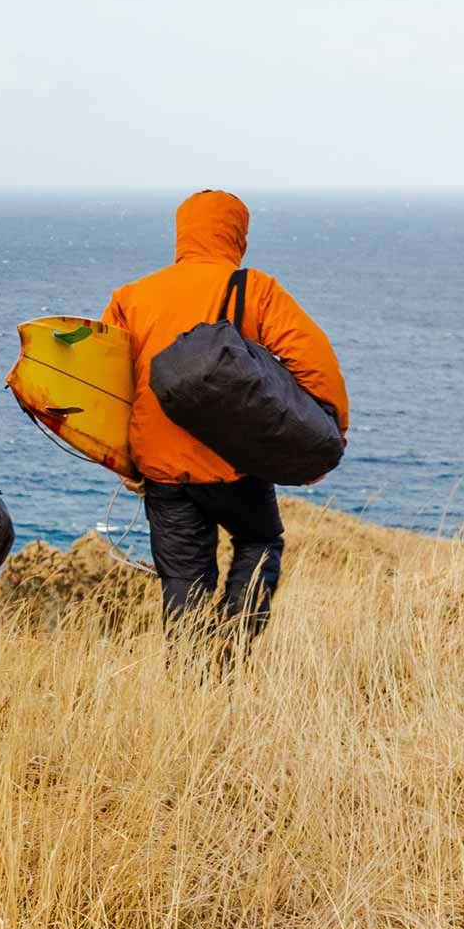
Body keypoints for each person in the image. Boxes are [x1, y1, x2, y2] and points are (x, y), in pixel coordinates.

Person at [103, 190, 347, 654]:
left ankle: (191, 679)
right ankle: (232, 645)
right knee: (260, 540)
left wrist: (123, 463)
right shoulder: (253, 289)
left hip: (161, 471)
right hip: (234, 465)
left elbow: (107, 388)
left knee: (182, 578)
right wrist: (330, 430)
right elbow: (316, 363)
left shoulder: (132, 297)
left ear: (182, 233)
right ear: (237, 236)